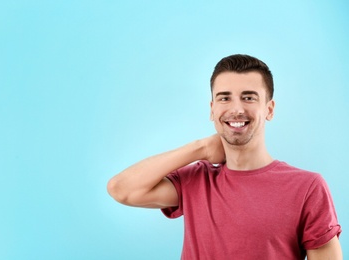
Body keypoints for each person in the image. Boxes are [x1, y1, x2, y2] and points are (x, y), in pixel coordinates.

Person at [107, 54, 342, 259]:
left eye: (249, 97)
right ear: (212, 109)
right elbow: (121, 189)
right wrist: (201, 148)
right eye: (224, 97)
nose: (236, 108)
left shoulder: (308, 187)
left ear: (269, 109)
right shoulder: (197, 180)